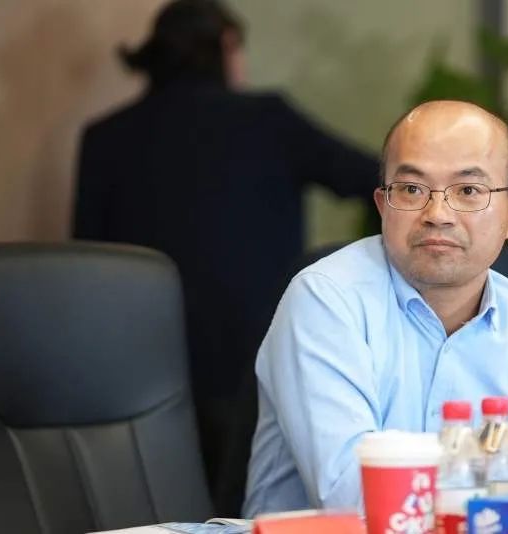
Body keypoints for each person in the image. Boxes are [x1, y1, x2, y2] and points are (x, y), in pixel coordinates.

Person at [72, 0, 377, 515]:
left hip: (134, 368)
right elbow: (374, 178)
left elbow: (85, 261)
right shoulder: (269, 121)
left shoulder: (104, 137)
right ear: (227, 46)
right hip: (250, 356)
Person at [242, 100, 508, 516]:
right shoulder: (326, 302)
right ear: (383, 205)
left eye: (468, 191)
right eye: (412, 190)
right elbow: (353, 499)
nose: (438, 215)